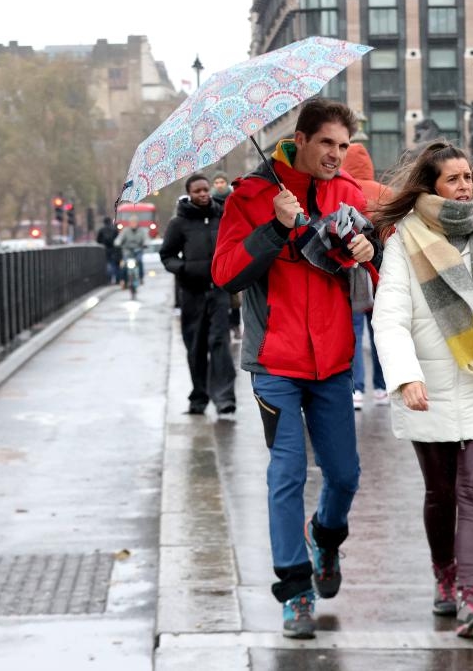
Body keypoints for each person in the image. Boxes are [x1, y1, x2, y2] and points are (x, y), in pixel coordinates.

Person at [211, 99, 378, 640]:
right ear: (300, 139)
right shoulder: (251, 195)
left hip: (333, 362)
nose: (335, 154)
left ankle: (325, 537)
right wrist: (274, 230)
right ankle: (295, 591)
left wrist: (366, 245)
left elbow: (376, 260)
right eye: (326, 143)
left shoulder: (348, 195)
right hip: (274, 364)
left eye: (343, 145)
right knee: (285, 474)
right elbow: (225, 275)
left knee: (345, 475)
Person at [371, 140, 473, 638]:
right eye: (453, 179)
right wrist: (405, 376)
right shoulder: (405, 240)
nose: (465, 186)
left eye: (468, 177)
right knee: (441, 493)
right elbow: (390, 318)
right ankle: (444, 576)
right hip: (431, 386)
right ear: (431, 187)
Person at [160, 172, 236, 417]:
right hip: (192, 294)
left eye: (206, 189)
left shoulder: (222, 215)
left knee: (220, 343)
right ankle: (199, 397)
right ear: (189, 194)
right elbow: (167, 255)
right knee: (196, 346)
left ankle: (224, 398)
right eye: (198, 191)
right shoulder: (178, 223)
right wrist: (183, 269)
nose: (203, 194)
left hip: (219, 291)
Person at [341, 142, 389, 410]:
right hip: (381, 272)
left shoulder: (342, 190)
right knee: (381, 332)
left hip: (352, 274)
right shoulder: (386, 192)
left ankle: (356, 389)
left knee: (355, 333)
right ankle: (383, 387)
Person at [210, 171, 242, 340]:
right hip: (218, 247)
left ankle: (235, 324)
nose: (220, 184)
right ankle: (224, 326)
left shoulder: (235, 197)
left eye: (222, 181)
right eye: (217, 182)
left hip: (234, 246)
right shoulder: (210, 202)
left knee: (234, 296)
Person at [113, 214, 149, 286]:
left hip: (138, 250)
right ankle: (123, 280)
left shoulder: (142, 231)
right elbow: (119, 239)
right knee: (124, 265)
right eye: (132, 222)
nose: (133, 224)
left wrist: (145, 244)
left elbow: (146, 239)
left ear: (137, 223)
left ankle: (141, 278)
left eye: (134, 222)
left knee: (139, 262)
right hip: (127, 251)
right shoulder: (125, 231)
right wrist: (117, 243)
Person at [95, 217, 120, 284]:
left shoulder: (101, 230)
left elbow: (98, 240)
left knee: (108, 264)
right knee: (115, 265)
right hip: (114, 250)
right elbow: (118, 240)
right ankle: (117, 280)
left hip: (105, 250)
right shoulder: (115, 230)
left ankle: (109, 280)